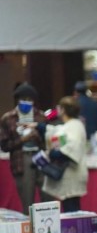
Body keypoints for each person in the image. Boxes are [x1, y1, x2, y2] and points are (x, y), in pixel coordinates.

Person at [0, 83, 46, 215]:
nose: (26, 102)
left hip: (40, 157)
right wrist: (22, 140)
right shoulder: (8, 118)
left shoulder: (41, 117)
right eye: (23, 99)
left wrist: (35, 134)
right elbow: (4, 146)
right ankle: (30, 231)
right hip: (22, 159)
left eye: (29, 100)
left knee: (47, 197)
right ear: (17, 100)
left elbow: (48, 141)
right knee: (27, 200)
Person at [38, 97, 88, 212]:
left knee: (72, 212)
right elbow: (55, 130)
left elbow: (72, 146)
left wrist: (54, 153)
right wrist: (38, 126)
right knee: (69, 209)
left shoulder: (75, 126)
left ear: (63, 110)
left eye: (59, 107)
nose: (57, 110)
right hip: (69, 176)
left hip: (73, 175)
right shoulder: (69, 125)